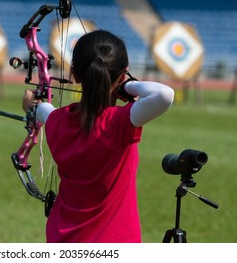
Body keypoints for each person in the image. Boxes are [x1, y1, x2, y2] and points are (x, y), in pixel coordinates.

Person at [22, 29, 174, 243]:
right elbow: (164, 95)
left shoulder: (57, 122)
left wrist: (31, 105)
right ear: (122, 74)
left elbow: (42, 109)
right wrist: (127, 85)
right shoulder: (119, 123)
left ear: (74, 75)